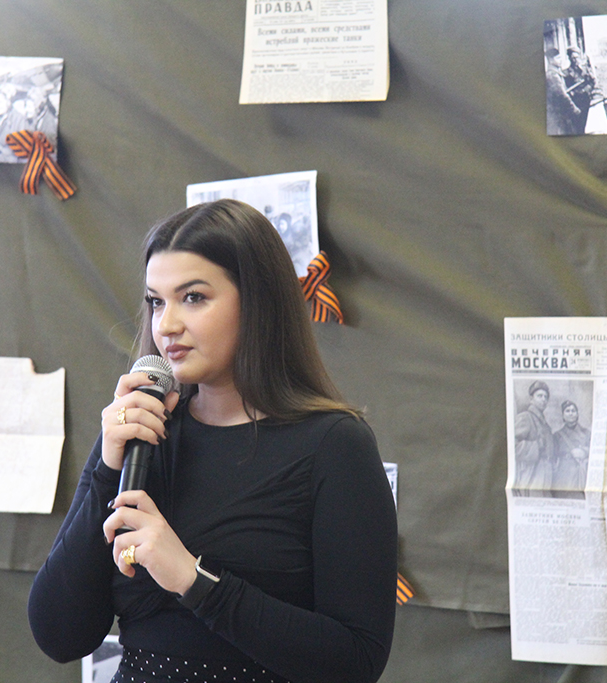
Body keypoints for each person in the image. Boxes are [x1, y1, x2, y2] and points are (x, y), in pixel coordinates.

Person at [28, 199, 398, 683]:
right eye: (156, 302)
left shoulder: (335, 446)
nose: (166, 325)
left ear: (258, 302)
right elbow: (59, 635)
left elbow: (356, 661)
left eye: (193, 297)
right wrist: (105, 471)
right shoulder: (141, 434)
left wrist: (193, 580)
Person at [514, 381, 554, 489]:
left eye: (546, 397)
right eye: (540, 396)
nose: (543, 399)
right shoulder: (525, 417)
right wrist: (536, 446)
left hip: (547, 474)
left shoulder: (545, 425)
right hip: (532, 474)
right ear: (531, 399)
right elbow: (512, 446)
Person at [551, 399, 590, 494]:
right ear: (563, 415)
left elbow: (596, 453)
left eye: (573, 411)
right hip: (564, 477)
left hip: (582, 475)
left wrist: (585, 452)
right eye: (567, 411)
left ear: (577, 414)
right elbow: (552, 458)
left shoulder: (587, 433)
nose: (571, 413)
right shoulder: (557, 436)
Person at [563, 47, 600, 134]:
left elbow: (592, 82)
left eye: (577, 57)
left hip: (586, 100)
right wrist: (574, 93)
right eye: (573, 58)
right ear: (569, 58)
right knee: (577, 125)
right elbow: (566, 90)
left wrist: (586, 89)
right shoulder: (566, 73)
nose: (575, 60)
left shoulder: (584, 70)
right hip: (576, 103)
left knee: (586, 122)